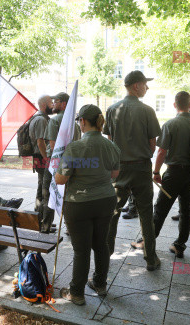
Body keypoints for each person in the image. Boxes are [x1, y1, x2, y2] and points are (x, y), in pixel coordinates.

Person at [55, 104, 120, 305]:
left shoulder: (75, 147)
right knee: (101, 244)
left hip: (79, 203)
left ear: (82, 121)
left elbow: (60, 180)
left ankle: (76, 292)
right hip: (106, 201)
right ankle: (100, 284)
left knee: (81, 249)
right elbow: (114, 174)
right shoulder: (112, 146)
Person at [103, 70, 162, 271]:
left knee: (113, 212)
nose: (147, 87)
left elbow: (110, 142)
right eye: (145, 84)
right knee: (146, 213)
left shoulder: (111, 109)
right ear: (136, 85)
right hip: (141, 168)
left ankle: (106, 254)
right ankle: (151, 259)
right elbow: (152, 145)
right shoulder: (147, 111)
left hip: (119, 169)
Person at [138, 91, 190, 259]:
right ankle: (180, 245)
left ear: (174, 105)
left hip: (174, 172)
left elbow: (162, 151)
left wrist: (156, 171)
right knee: (186, 210)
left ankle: (147, 241)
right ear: (189, 105)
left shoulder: (170, 124)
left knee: (161, 208)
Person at [40, 92, 81, 233]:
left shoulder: (55, 120)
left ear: (64, 104)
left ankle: (45, 226)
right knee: (68, 196)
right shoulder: (74, 123)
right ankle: (70, 227)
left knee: (48, 194)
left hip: (56, 164)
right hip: (71, 163)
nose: (53, 104)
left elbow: (52, 144)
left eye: (56, 101)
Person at [29, 95, 52, 213]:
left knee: (41, 186)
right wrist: (47, 159)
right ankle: (41, 219)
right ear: (44, 105)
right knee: (44, 189)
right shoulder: (41, 120)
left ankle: (38, 218)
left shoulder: (37, 118)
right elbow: (40, 142)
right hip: (41, 157)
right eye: (50, 102)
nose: (52, 105)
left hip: (39, 157)